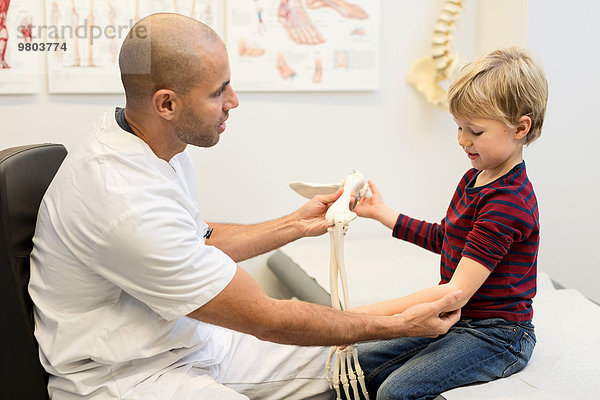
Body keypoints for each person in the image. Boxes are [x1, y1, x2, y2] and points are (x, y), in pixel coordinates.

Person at [28, 13, 463, 400]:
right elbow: (267, 318)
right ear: (167, 104)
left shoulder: (144, 140)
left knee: (350, 355)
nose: (233, 101)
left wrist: (295, 223)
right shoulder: (121, 198)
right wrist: (400, 324)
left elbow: (196, 239)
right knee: (373, 335)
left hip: (187, 340)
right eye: (219, 92)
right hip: (129, 377)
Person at [352, 47, 548, 400]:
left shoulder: (508, 201)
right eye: (458, 127)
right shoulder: (476, 178)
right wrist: (383, 214)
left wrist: (358, 319)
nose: (461, 140)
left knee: (396, 391)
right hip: (459, 320)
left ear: (521, 127)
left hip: (499, 335)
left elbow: (452, 293)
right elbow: (447, 238)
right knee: (359, 364)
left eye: (474, 130)